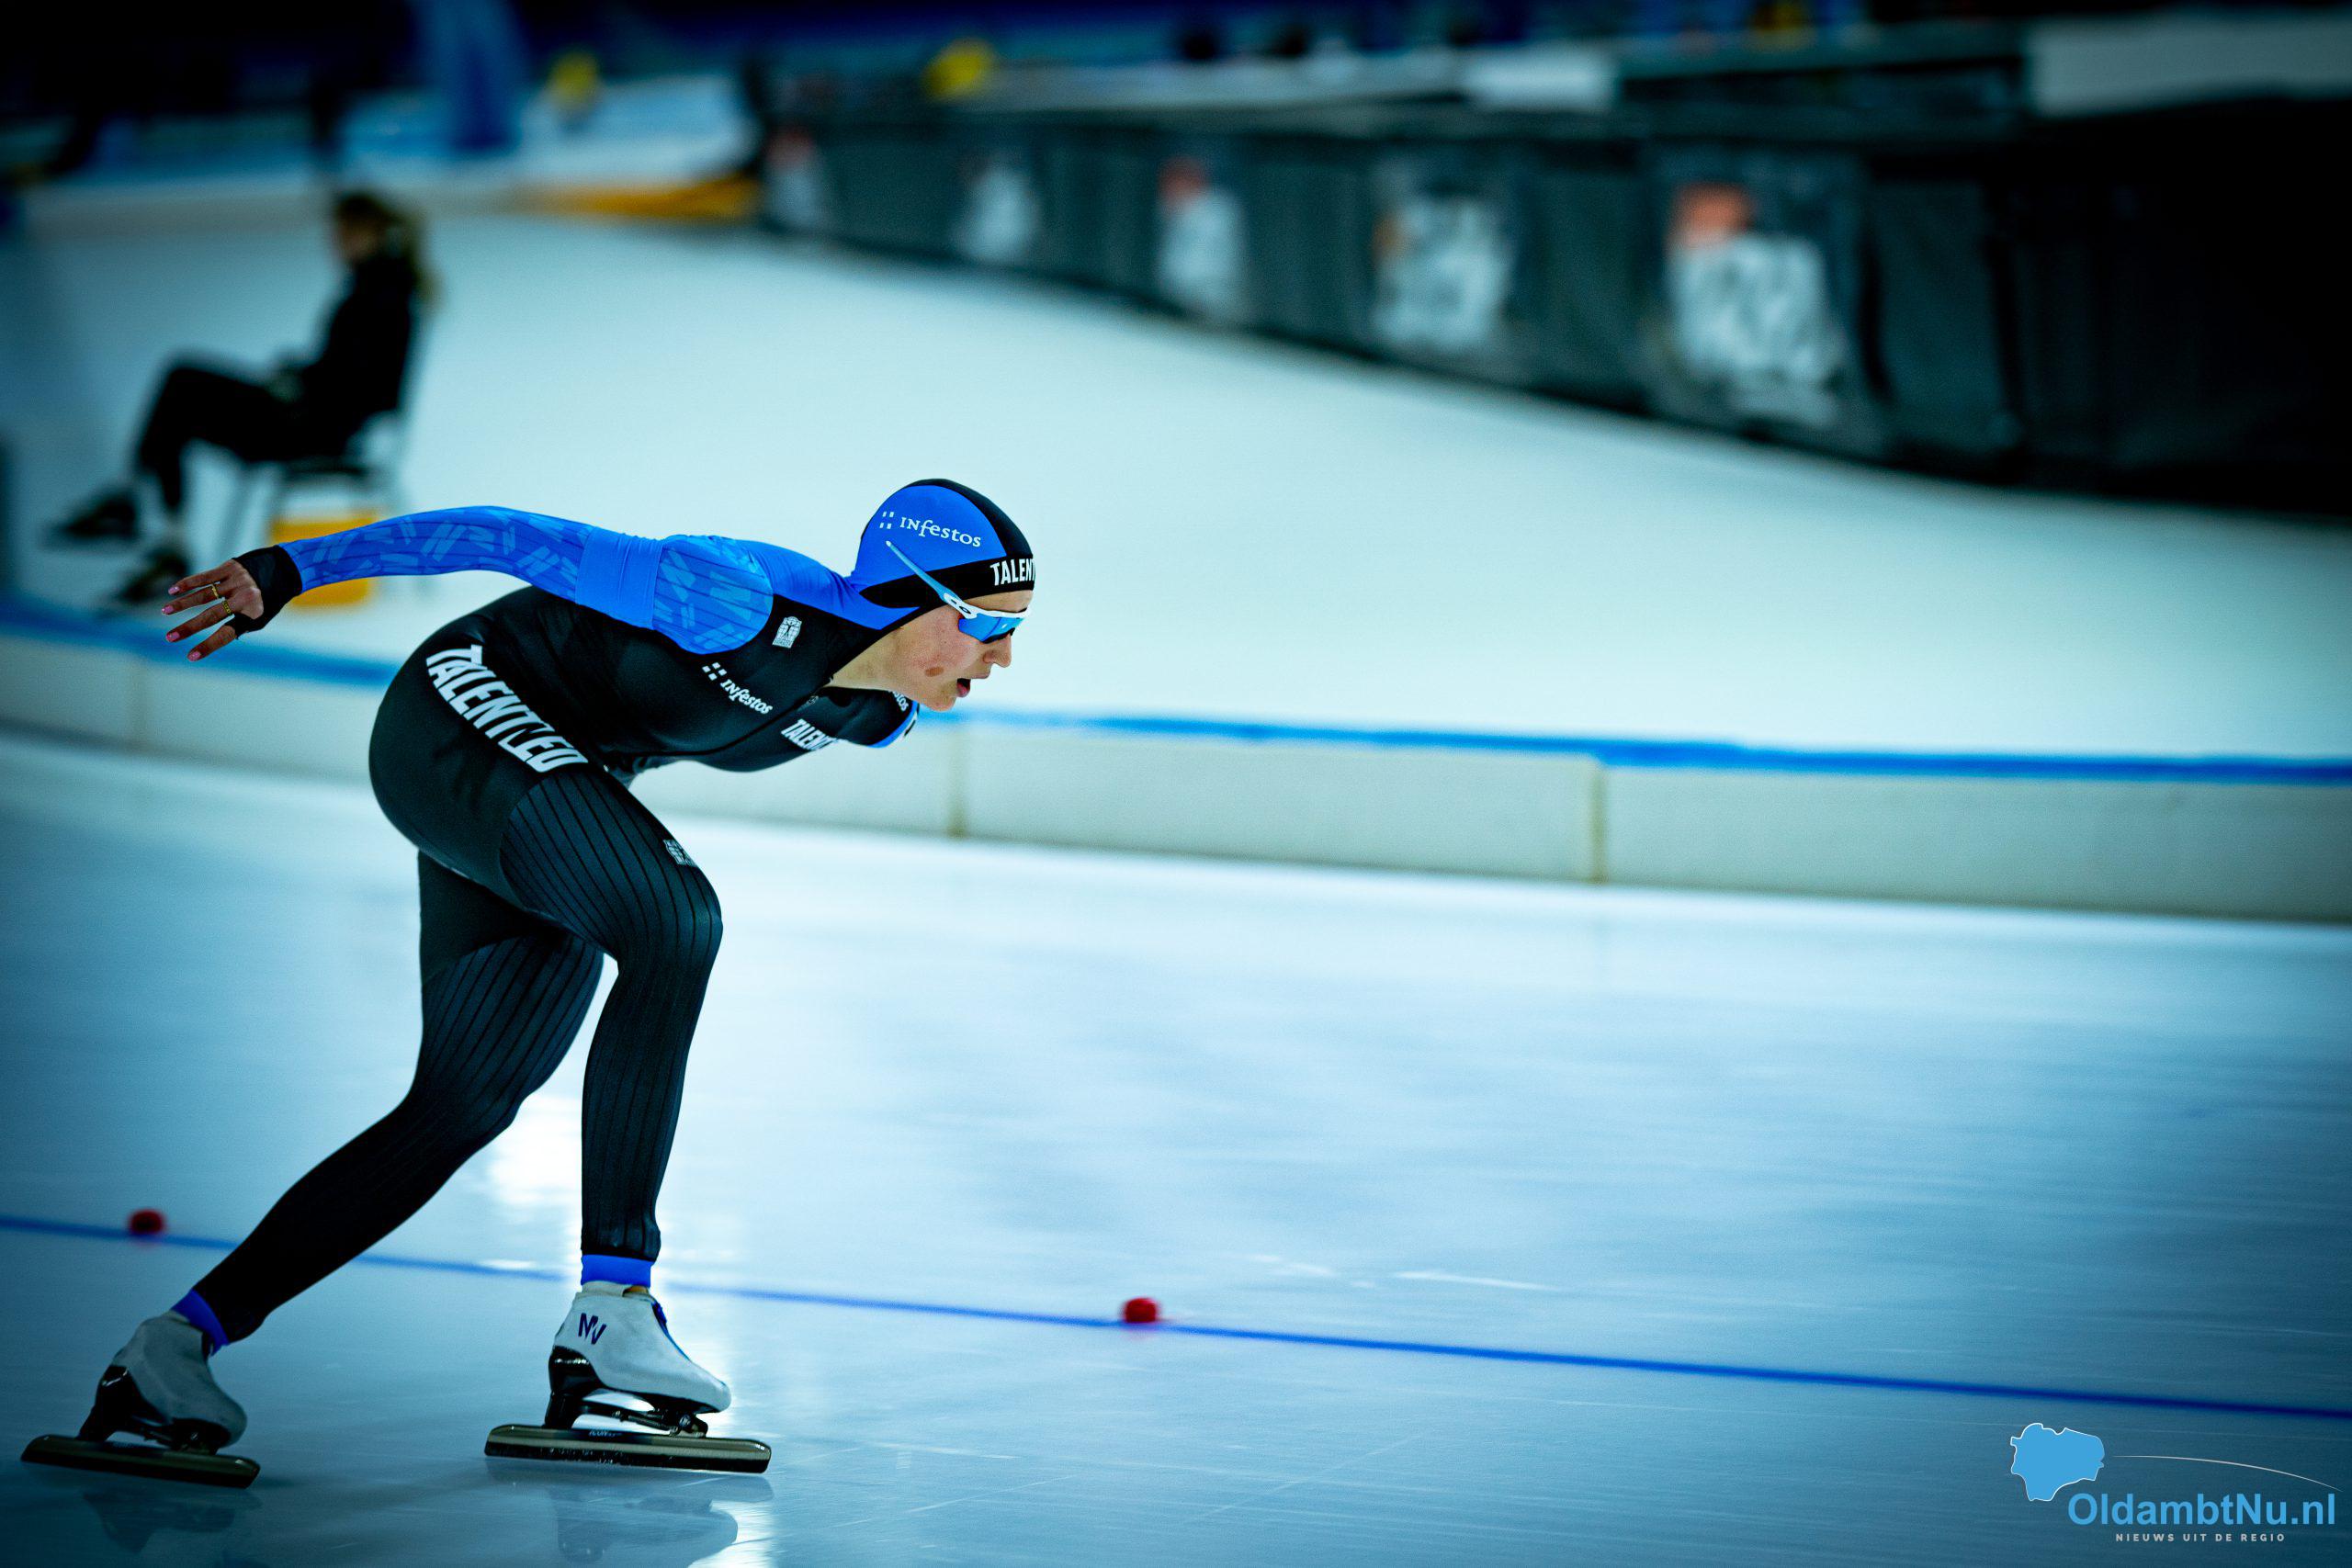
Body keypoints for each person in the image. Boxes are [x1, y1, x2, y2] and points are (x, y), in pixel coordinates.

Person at [25, 479, 1035, 1484]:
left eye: (1014, 632)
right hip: (457, 716)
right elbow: (501, 534)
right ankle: (613, 1314)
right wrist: (290, 568)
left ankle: (169, 1352)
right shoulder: (735, 597)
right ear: (911, 596)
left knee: (463, 1103)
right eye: (987, 624)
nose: (1000, 656)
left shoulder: (875, 714)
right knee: (676, 920)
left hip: (546, 788)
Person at [47, 189, 427, 607]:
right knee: (181, 394)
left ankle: (152, 520)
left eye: (344, 234)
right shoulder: (378, 289)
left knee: (182, 383)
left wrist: (301, 384)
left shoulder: (381, 295)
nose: (335, 244)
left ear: (371, 233)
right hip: (313, 420)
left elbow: (363, 386)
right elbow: (348, 374)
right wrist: (300, 375)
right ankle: (154, 524)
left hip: (314, 430)